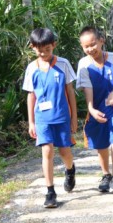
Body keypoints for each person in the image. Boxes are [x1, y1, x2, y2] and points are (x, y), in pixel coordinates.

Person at [23, 28, 78, 209]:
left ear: (53, 45)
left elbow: (70, 92)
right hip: (42, 119)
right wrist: (31, 122)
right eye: (39, 50)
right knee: (47, 151)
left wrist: (74, 118)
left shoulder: (63, 64)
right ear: (32, 47)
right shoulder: (32, 68)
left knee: (64, 152)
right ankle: (50, 191)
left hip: (62, 117)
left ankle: (70, 170)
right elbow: (31, 96)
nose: (43, 53)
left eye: (47, 49)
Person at [77, 26, 113, 193]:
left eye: (93, 44)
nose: (90, 49)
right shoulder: (83, 64)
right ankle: (106, 175)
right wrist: (91, 109)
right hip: (97, 110)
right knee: (101, 143)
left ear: (101, 40)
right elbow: (87, 89)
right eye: (86, 46)